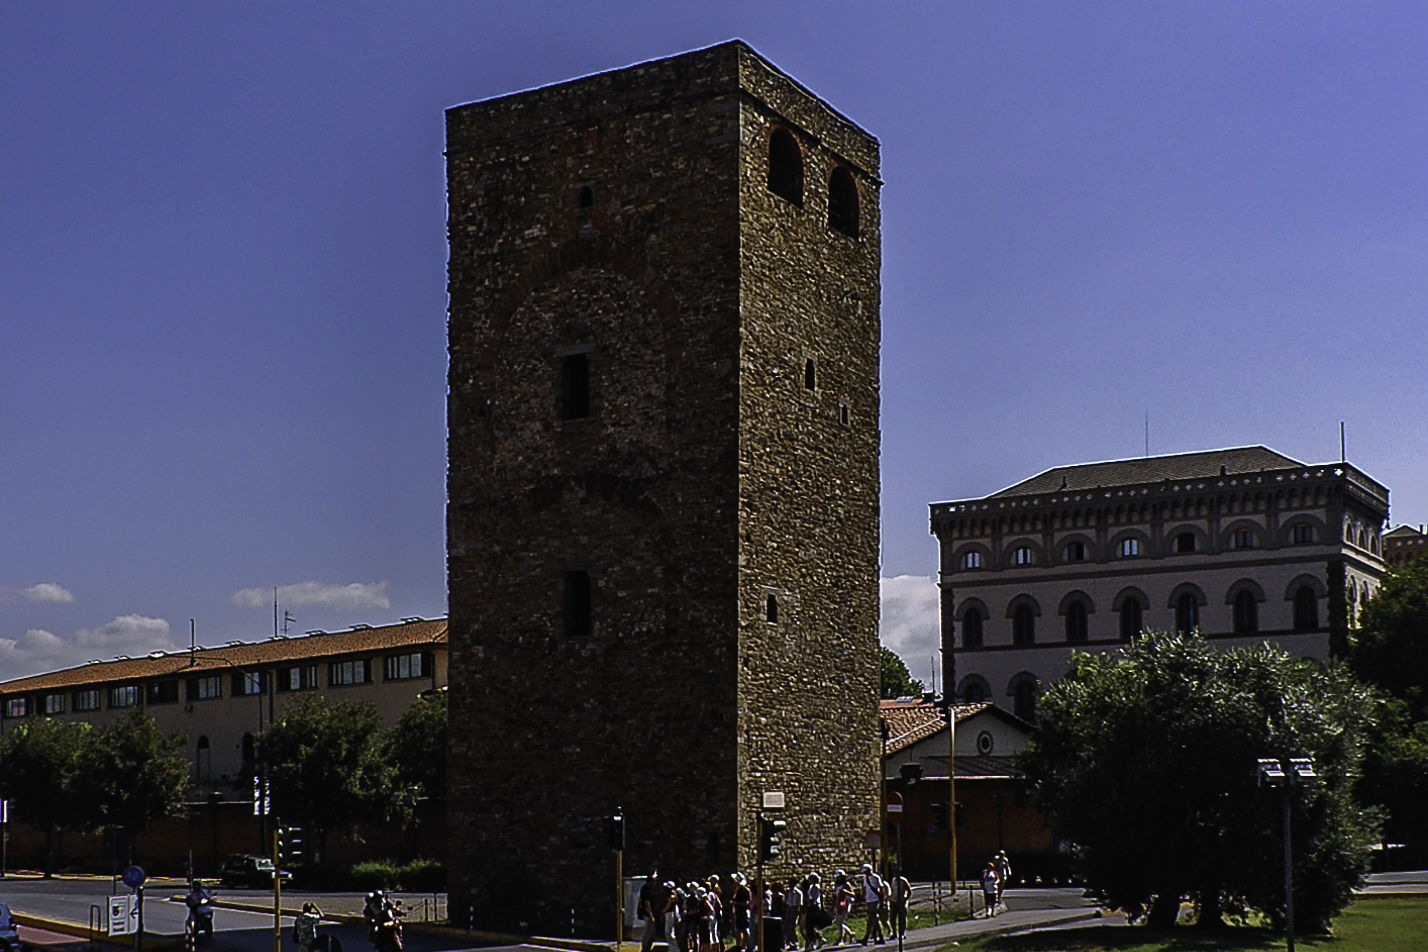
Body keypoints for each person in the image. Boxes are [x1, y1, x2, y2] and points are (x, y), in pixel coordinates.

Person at [859, 865, 884, 946]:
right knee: (875, 919)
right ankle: (880, 936)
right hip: (869, 900)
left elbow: (881, 888)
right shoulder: (865, 878)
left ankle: (866, 937)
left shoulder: (876, 877)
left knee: (871, 919)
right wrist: (863, 896)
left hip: (875, 899)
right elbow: (864, 888)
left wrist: (882, 902)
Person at [640, 872, 664, 952]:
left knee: (651, 934)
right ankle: (645, 949)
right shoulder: (647, 891)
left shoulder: (646, 889)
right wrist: (651, 916)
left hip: (649, 914)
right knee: (648, 934)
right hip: (648, 915)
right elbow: (647, 904)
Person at [830, 872, 855, 947]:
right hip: (839, 903)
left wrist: (846, 892)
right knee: (838, 922)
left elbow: (853, 894)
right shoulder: (837, 886)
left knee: (840, 921)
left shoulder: (846, 884)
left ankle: (840, 939)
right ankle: (850, 934)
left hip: (846, 903)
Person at [731, 872, 752, 952]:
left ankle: (747, 945)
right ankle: (739, 945)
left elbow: (747, 902)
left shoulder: (745, 890)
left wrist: (737, 903)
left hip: (742, 912)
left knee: (744, 929)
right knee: (738, 930)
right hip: (737, 911)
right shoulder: (737, 890)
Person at [782, 879, 802, 952]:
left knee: (792, 926)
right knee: (786, 926)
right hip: (788, 908)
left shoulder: (798, 892)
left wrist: (799, 913)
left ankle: (795, 941)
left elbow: (800, 903)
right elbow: (784, 901)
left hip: (794, 908)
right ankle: (790, 942)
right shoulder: (787, 892)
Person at [889, 871, 910, 939]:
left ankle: (902, 933)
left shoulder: (903, 880)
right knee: (892, 918)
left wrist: (905, 898)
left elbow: (909, 890)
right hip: (893, 900)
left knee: (902, 917)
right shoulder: (893, 880)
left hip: (901, 900)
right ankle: (894, 932)